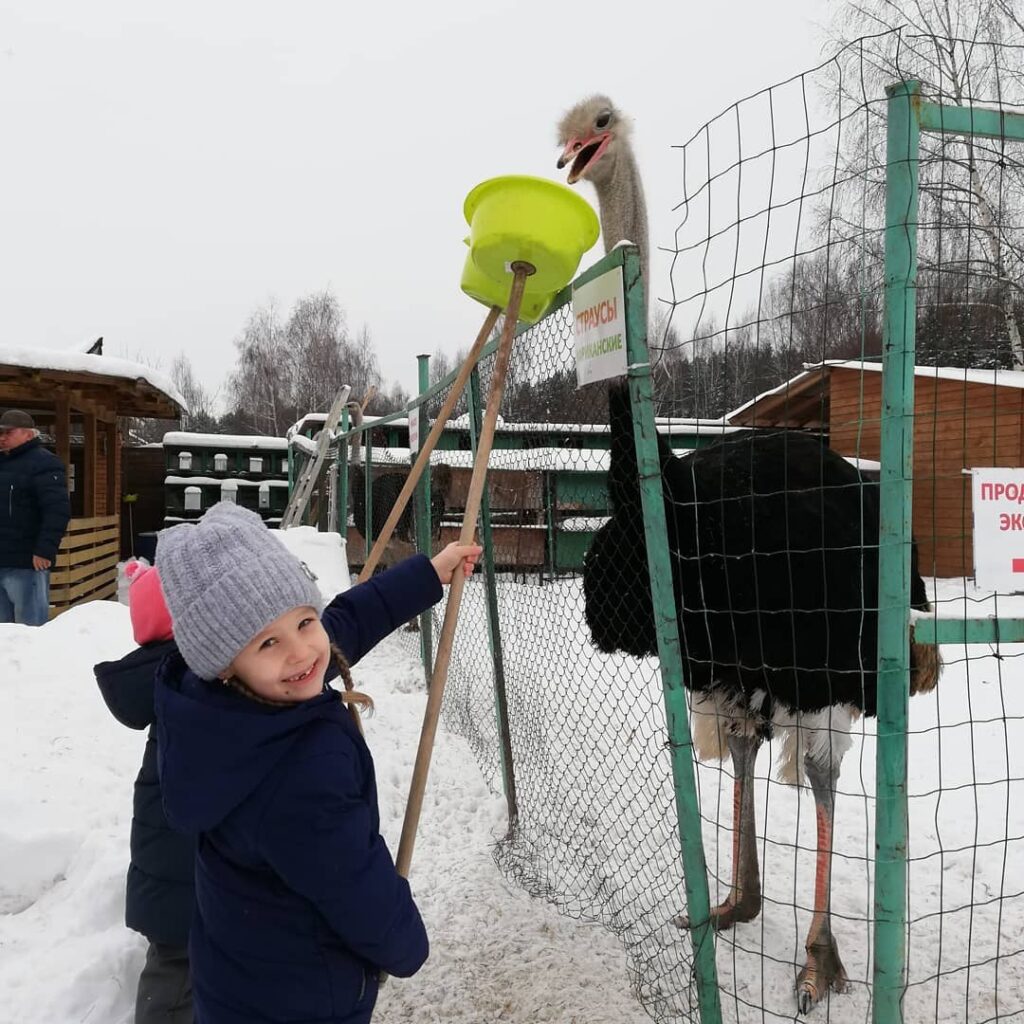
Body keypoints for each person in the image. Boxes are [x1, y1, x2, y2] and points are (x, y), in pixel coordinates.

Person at [153, 502, 480, 1024]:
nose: (303, 652)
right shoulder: (295, 778)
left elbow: (341, 623)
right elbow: (353, 887)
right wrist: (404, 944)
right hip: (306, 998)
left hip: (241, 980)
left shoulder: (233, 708)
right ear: (224, 663)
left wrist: (425, 575)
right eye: (269, 642)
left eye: (305, 622)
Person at [94, 561, 195, 1024]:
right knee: (175, 979)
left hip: (171, 874)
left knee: (176, 968)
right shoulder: (194, 679)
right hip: (185, 879)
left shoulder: (165, 678)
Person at [0, 408, 71, 625]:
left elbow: (57, 511)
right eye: (0, 433)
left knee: (29, 630)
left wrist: (44, 550)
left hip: (27, 564)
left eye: (8, 433)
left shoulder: (45, 464)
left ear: (28, 434)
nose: (2, 438)